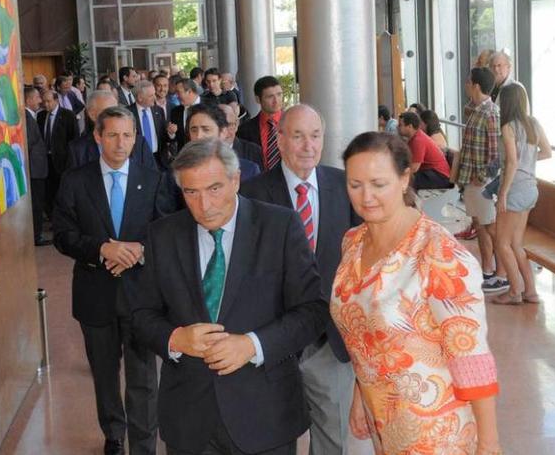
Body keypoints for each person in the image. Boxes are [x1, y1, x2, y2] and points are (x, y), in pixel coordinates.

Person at [132, 139, 328, 455]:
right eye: (191, 193)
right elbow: (140, 315)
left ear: (235, 180)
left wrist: (253, 344)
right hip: (189, 418)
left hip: (265, 415)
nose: (204, 205)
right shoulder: (162, 235)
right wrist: (176, 339)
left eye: (214, 189)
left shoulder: (279, 226)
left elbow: (313, 311)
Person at [333, 131, 500, 455]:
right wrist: (359, 392)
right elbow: (365, 330)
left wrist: (489, 444)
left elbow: (470, 353)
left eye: (378, 184)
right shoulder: (353, 242)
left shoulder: (438, 253)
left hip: (436, 431)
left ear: (405, 177)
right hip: (382, 420)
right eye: (355, 185)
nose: (366, 196)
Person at [240, 105, 363, 455]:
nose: (308, 145)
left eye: (315, 135)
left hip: (331, 341)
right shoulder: (252, 194)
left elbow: (361, 260)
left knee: (336, 442)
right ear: (280, 139)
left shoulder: (345, 186)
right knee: (273, 441)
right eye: (297, 136)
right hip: (275, 343)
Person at [54, 106, 173, 455]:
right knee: (105, 377)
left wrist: (138, 250)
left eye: (127, 135)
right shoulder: (76, 181)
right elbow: (62, 234)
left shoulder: (154, 179)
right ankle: (113, 436)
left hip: (141, 298)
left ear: (136, 137)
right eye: (112, 135)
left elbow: (166, 233)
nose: (120, 143)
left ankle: (143, 445)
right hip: (95, 295)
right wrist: (102, 248)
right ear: (97, 136)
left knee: (143, 381)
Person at [490, 83, 552, 305]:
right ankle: (531, 292)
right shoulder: (533, 124)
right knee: (516, 243)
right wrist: (530, 161)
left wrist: (503, 194)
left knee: (502, 243)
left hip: (515, 188)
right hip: (531, 188)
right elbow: (547, 152)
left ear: (506, 102)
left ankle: (515, 291)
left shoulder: (508, 127)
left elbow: (512, 162)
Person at [452, 67, 508, 293]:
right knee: (481, 226)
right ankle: (487, 269)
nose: (466, 85)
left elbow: (496, 154)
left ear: (475, 85)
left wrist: (481, 177)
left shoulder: (491, 113)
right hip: (472, 181)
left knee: (492, 228)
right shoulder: (475, 110)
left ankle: (501, 274)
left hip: (482, 183)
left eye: (468, 81)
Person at [67, 90, 157, 171]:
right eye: (108, 112)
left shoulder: (139, 143)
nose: (115, 116)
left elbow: (153, 180)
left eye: (117, 110)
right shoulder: (77, 150)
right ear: (92, 114)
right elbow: (72, 186)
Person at [185, 103, 260, 181]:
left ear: (222, 132)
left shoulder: (248, 171)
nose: (199, 136)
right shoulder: (180, 171)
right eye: (194, 130)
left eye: (206, 129)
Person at [37, 89, 79, 221]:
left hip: (62, 162)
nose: (46, 104)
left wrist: (70, 161)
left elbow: (74, 139)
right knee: (49, 192)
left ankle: (64, 218)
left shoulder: (68, 115)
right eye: (44, 102)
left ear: (56, 100)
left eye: (49, 101)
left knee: (62, 191)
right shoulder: (41, 116)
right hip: (45, 161)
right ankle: (52, 217)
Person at [237, 76, 284, 171]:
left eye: (279, 94)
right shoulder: (244, 130)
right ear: (258, 99)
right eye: (270, 97)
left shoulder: (294, 125)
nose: (276, 101)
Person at [24, 87, 52, 246]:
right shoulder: (27, 117)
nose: (40, 101)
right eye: (37, 98)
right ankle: (36, 236)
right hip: (34, 170)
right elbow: (28, 143)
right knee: (36, 204)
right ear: (28, 100)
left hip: (38, 169)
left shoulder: (31, 116)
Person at [397, 111, 452, 190]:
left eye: (400, 125)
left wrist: (397, 175)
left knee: (403, 181)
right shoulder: (415, 137)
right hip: (432, 173)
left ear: (409, 126)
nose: (398, 127)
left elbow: (414, 168)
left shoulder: (418, 140)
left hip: (439, 176)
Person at [129, 80, 173, 170]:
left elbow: (163, 136)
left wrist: (170, 133)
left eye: (154, 94)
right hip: (138, 161)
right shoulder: (128, 113)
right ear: (140, 98)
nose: (155, 98)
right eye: (151, 96)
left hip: (158, 160)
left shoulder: (158, 111)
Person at [221, 103, 263, 168]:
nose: (225, 131)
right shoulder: (203, 152)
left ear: (236, 125)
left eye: (229, 125)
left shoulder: (254, 152)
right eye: (220, 125)